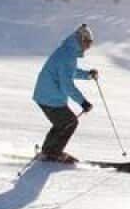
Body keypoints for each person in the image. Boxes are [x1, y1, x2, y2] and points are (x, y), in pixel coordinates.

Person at [32, 23, 97, 163]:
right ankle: (53, 152)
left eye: (90, 44)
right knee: (69, 122)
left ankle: (48, 151)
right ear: (80, 39)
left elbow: (69, 73)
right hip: (49, 96)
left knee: (62, 122)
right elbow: (67, 84)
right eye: (87, 43)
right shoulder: (68, 55)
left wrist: (87, 75)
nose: (88, 47)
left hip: (46, 94)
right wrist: (83, 102)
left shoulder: (68, 51)